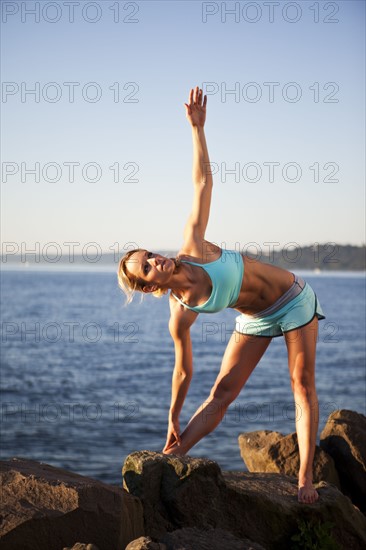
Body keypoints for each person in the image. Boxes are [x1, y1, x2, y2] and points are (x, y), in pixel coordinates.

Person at [118, 86, 325, 504]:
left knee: (300, 385)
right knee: (222, 394)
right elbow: (183, 372)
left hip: (294, 299)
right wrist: (173, 416)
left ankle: (305, 478)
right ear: (149, 286)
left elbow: (201, 182)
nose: (156, 260)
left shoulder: (193, 246)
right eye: (147, 266)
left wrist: (198, 130)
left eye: (151, 255)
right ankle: (169, 458)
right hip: (255, 318)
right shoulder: (180, 312)